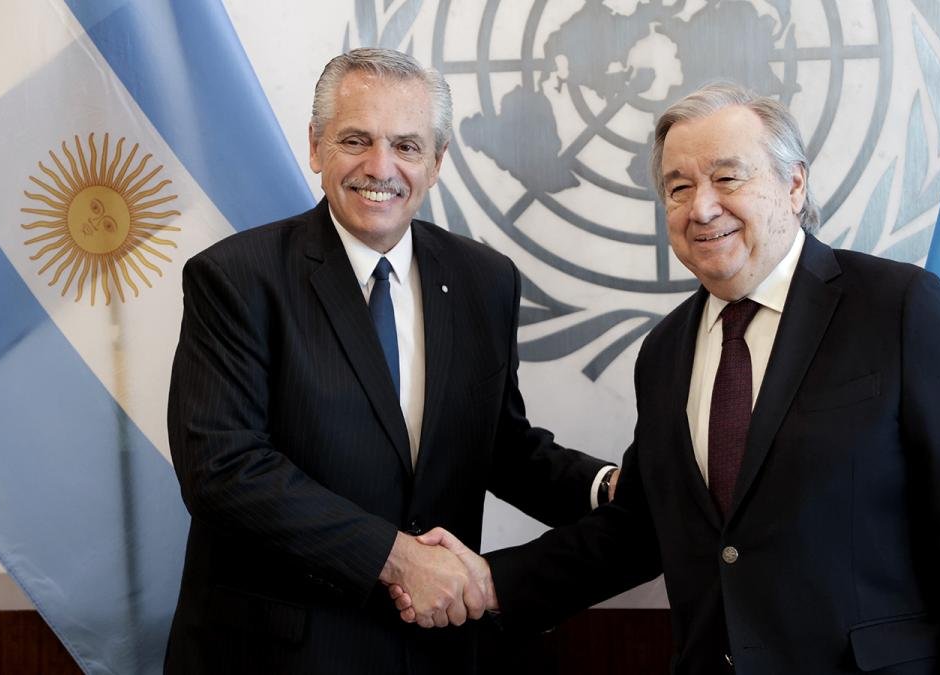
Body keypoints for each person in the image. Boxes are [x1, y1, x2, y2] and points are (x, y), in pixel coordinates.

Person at [395, 83, 940, 674]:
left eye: (728, 177)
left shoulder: (897, 307)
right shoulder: (666, 351)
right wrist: (486, 582)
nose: (701, 208)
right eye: (677, 188)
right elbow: (639, 529)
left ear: (793, 185)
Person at [163, 48, 616, 674]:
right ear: (317, 147)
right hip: (281, 653)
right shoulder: (236, 277)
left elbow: (497, 445)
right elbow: (223, 470)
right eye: (356, 140)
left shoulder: (485, 279)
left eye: (407, 146)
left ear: (437, 161)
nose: (381, 167)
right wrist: (397, 557)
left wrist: (609, 489)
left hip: (436, 651)